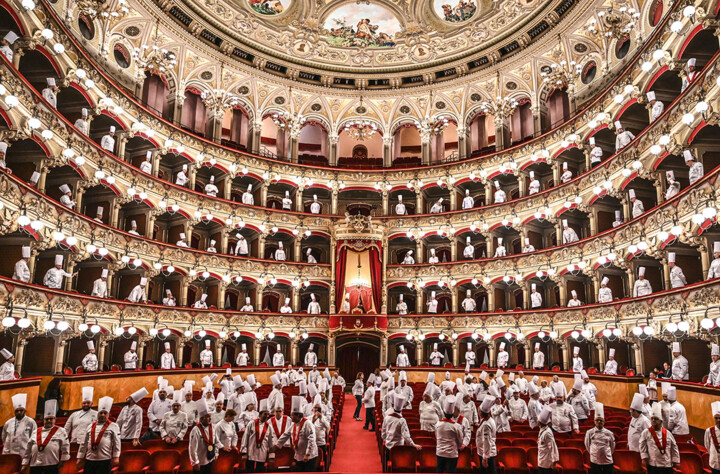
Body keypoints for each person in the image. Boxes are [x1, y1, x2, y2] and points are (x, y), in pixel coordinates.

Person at [272, 397, 318, 471]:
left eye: (292, 415)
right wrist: (277, 446)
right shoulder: (293, 424)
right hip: (298, 456)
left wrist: (308, 454)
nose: (291, 417)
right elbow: (285, 435)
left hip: (309, 457)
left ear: (298, 416)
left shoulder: (307, 424)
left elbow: (311, 439)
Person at [23, 398, 70, 472]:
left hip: (52, 464)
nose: (49, 421)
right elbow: (28, 448)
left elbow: (65, 446)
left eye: (51, 419)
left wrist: (63, 460)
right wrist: (25, 462)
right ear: (43, 420)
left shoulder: (61, 431)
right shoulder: (36, 431)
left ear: (55, 419)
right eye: (46, 419)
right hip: (35, 464)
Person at [639, 403, 680, 472]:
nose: (653, 420)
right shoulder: (646, 432)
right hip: (653, 464)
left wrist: (676, 461)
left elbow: (674, 447)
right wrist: (644, 458)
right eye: (652, 419)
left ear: (661, 421)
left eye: (656, 419)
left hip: (667, 464)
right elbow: (642, 445)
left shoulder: (668, 433)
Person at [2, 393, 37, 463]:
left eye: (21, 411)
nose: (19, 412)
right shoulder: (8, 423)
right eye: (17, 411)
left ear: (25, 411)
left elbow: (34, 439)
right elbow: (4, 438)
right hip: (11, 455)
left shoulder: (31, 422)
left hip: (25, 455)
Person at [435, 395, 465, 473]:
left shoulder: (438, 424)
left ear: (444, 413)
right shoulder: (456, 426)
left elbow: (436, 436)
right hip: (452, 454)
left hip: (440, 452)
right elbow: (460, 440)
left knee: (439, 471)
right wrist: (457, 446)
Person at [189, 399, 219, 473]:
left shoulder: (212, 427)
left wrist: (216, 453)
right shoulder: (195, 430)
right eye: (208, 417)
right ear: (202, 418)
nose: (210, 419)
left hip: (210, 459)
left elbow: (216, 441)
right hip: (200, 462)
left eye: (210, 416)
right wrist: (195, 462)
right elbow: (192, 448)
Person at [240, 400, 271, 472]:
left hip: (262, 452)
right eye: (265, 414)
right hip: (251, 451)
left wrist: (271, 455)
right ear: (260, 414)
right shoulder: (252, 423)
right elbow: (245, 437)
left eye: (268, 414)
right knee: (249, 470)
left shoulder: (269, 426)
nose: (267, 416)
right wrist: (244, 452)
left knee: (260, 471)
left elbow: (270, 441)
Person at [584, 403, 615, 473]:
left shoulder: (609, 433)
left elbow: (612, 446)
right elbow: (587, 445)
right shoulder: (589, 432)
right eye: (597, 420)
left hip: (607, 460)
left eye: (601, 420)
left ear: (604, 422)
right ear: (594, 422)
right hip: (595, 460)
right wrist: (593, 452)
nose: (599, 422)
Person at [475, 395, 497, 474]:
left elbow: (486, 441)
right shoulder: (487, 419)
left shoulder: (486, 424)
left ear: (481, 412)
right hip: (485, 452)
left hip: (487, 454)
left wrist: (485, 458)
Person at [537, 406, 559, 473]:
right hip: (542, 460)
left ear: (540, 422)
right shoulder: (542, 429)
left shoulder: (547, 433)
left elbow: (553, 447)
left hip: (546, 463)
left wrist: (554, 462)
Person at [704, 401, 720, 473]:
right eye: (716, 418)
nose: (718, 420)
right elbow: (707, 445)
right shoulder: (709, 431)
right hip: (715, 461)